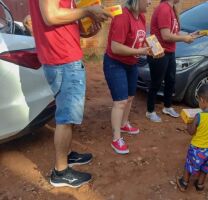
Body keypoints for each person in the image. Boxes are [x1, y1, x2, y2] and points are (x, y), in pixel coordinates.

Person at [29, 0, 111, 188]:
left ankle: (67, 154)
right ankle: (60, 171)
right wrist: (87, 11)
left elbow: (63, 18)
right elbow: (51, 16)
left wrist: (85, 29)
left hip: (65, 57)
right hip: (63, 59)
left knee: (69, 115)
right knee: (66, 118)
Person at [103, 0, 151, 155]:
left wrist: (152, 47)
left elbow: (140, 39)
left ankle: (124, 124)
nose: (150, 2)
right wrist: (140, 51)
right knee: (121, 101)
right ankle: (116, 138)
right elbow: (115, 47)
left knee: (130, 97)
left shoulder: (141, 17)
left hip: (131, 63)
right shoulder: (122, 16)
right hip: (115, 63)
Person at [146, 0, 197, 122]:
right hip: (158, 50)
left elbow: (174, 31)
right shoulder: (164, 9)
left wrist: (190, 35)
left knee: (170, 80)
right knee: (156, 82)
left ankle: (167, 106)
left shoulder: (172, 8)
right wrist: (184, 38)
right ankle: (150, 111)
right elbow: (166, 36)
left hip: (169, 51)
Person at [176, 83, 208, 192]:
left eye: (198, 101)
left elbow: (191, 132)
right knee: (205, 168)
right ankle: (200, 184)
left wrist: (188, 122)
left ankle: (184, 182)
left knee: (190, 165)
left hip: (198, 148)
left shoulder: (199, 116)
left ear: (202, 100)